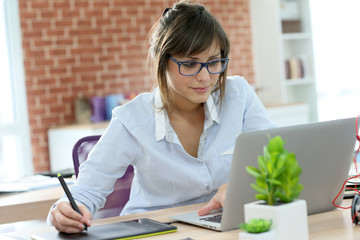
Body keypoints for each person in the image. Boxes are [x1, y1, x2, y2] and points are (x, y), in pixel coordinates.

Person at [48, 0, 273, 233]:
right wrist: (65, 209)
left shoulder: (239, 96)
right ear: (162, 61)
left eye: (214, 62)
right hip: (155, 231)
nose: (205, 77)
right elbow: (86, 191)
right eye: (189, 64)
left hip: (226, 227)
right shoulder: (133, 118)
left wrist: (241, 186)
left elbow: (273, 161)